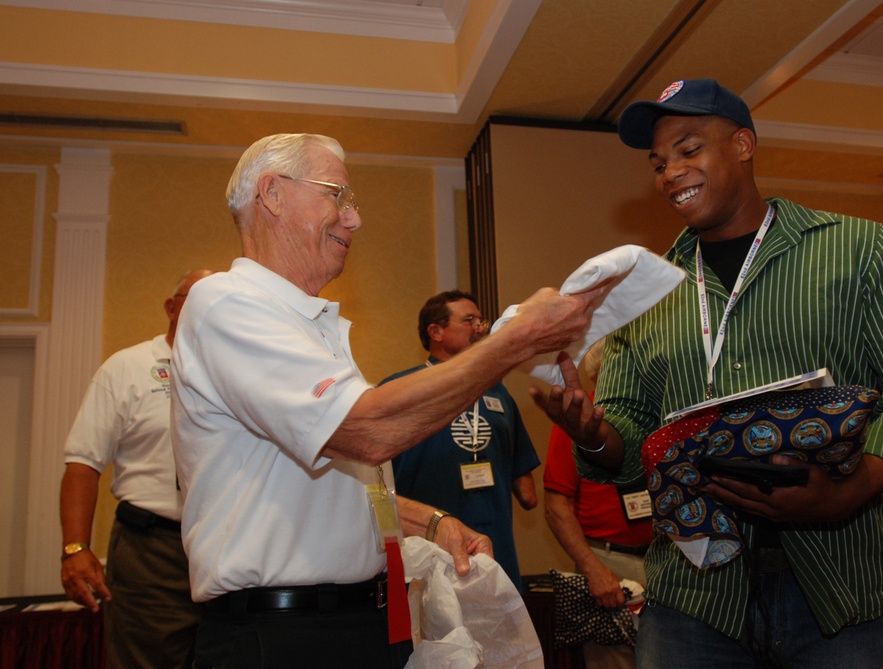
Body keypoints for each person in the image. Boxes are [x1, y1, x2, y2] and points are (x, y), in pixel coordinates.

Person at [530, 79, 883, 668]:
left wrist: (853, 489)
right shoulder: (648, 293)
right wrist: (594, 434)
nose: (669, 173)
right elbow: (633, 442)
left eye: (689, 151)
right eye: (659, 163)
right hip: (695, 600)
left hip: (841, 589)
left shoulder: (861, 250)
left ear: (742, 144)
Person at [170, 133, 602, 669]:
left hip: (350, 624)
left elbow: (328, 490)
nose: (354, 220)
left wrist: (429, 523)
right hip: (281, 637)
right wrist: (512, 343)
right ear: (272, 194)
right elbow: (368, 432)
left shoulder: (308, 325)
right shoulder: (227, 303)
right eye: (337, 195)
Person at [59, 268, 213, 669]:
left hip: (222, 547)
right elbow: (82, 463)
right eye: (195, 300)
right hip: (151, 552)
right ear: (170, 307)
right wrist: (75, 548)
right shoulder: (126, 368)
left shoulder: (237, 374)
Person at [382, 290, 540, 591]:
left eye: (481, 321)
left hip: (494, 548)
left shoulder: (498, 392)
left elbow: (526, 487)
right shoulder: (402, 389)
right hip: (430, 551)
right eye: (469, 321)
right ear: (436, 331)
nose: (480, 328)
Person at [543, 339, 651, 668]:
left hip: (662, 558)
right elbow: (556, 505)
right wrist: (594, 570)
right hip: (609, 564)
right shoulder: (580, 421)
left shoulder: (649, 415)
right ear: (603, 372)